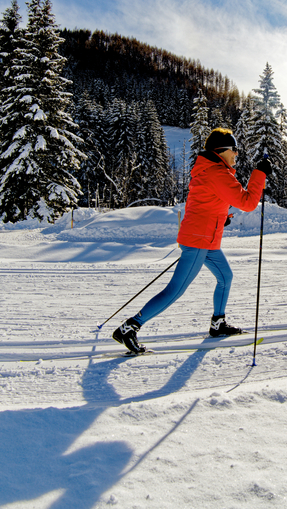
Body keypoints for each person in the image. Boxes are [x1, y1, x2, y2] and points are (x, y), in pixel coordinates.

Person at [112, 128, 272, 354]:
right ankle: (130, 327)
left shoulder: (211, 170)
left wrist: (222, 217)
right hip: (199, 240)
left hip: (206, 239)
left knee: (225, 276)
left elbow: (206, 199)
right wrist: (259, 173)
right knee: (175, 290)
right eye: (234, 150)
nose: (237, 154)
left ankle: (218, 324)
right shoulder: (217, 172)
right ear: (222, 150)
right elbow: (247, 202)